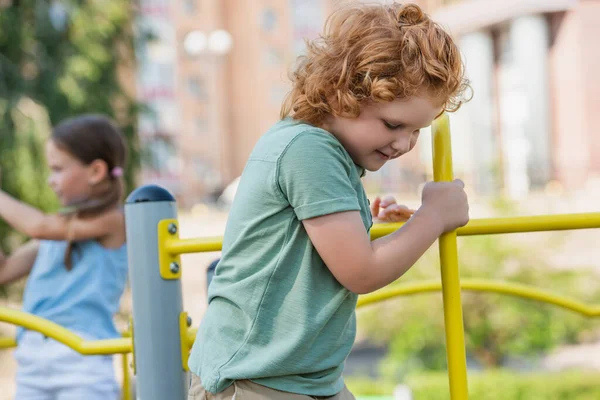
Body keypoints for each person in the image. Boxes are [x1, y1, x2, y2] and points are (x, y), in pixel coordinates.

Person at [188, 3, 471, 399]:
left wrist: (373, 225)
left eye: (417, 131)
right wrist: (434, 216)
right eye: (393, 124)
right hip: (254, 377)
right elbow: (361, 272)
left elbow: (320, 247)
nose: (404, 144)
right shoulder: (309, 150)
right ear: (342, 92)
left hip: (301, 376)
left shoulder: (325, 152)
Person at [0, 114, 128, 400]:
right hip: (32, 358)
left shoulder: (115, 221)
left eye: (57, 169)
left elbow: (39, 225)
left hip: (81, 358)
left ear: (95, 171)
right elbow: (4, 271)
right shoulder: (55, 234)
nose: (50, 181)